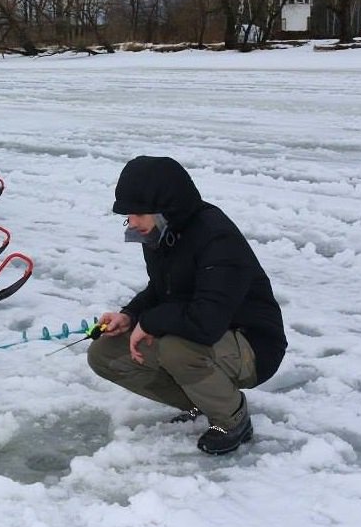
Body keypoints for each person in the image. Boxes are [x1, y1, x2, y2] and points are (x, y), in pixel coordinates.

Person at [88, 156, 287, 455]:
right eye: (128, 214)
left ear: (166, 208)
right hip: (207, 335)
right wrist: (129, 316)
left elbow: (206, 322)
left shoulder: (217, 237)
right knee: (105, 352)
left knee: (176, 348)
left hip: (253, 345)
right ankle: (203, 400)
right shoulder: (161, 234)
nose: (132, 222)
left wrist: (150, 322)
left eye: (138, 213)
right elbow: (161, 290)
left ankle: (232, 419)